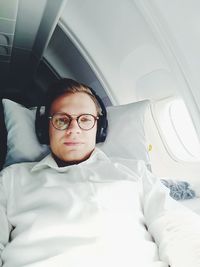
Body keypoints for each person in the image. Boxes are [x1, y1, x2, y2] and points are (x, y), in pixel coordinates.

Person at [0, 78, 200, 267]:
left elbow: (175, 225)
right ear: (46, 128)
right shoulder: (11, 179)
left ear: (99, 128)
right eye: (62, 120)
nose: (73, 129)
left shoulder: (134, 172)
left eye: (85, 120)